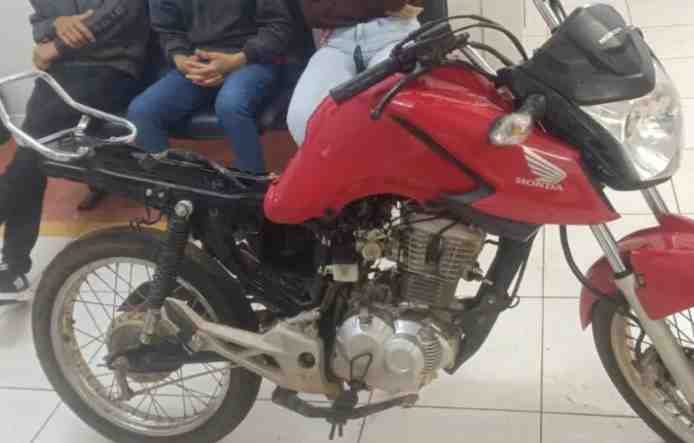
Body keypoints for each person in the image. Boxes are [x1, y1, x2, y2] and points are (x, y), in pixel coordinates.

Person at [0, 0, 148, 301]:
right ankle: (12, 264)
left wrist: (57, 45)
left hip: (111, 66)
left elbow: (124, 11)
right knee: (29, 153)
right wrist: (56, 25)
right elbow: (39, 23)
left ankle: (13, 266)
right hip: (60, 71)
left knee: (30, 152)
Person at [127, 0, 296, 174]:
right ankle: (168, 185)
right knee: (142, 111)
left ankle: (251, 184)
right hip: (198, 62)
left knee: (230, 105)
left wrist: (235, 61)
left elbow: (278, 27)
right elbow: (167, 31)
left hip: (251, 58)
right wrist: (181, 60)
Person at [287, 1, 424, 146]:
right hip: (338, 43)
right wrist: (379, 7)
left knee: (391, 106)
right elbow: (314, 11)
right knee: (302, 117)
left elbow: (395, 3)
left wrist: (336, 8)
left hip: (395, 35)